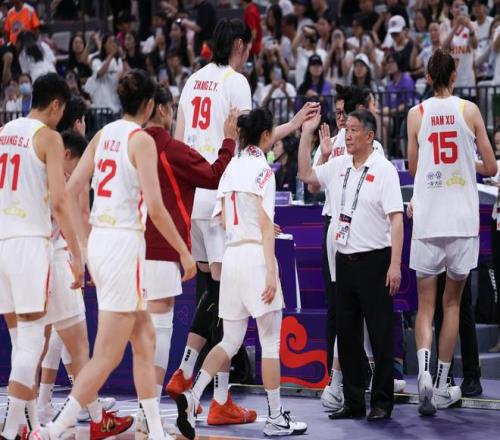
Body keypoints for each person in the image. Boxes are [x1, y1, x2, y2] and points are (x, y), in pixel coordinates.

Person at [169, 18, 319, 424]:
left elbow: (177, 142)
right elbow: (252, 139)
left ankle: (191, 375)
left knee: (212, 291)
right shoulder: (235, 82)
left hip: (195, 197)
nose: (251, 52)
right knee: (227, 306)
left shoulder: (191, 81)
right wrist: (294, 126)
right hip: (222, 187)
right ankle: (215, 396)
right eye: (249, 45)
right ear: (239, 44)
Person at [33, 69, 197, 440]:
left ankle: (154, 429)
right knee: (108, 354)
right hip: (124, 245)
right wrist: (184, 253)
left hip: (102, 243)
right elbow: (157, 209)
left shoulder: (102, 135)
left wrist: (85, 240)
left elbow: (72, 189)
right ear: (150, 105)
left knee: (145, 338)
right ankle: (54, 429)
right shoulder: (141, 141)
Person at [175, 108, 308, 439]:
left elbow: (221, 218)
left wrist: (249, 222)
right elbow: (263, 223)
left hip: (231, 255)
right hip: (254, 256)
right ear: (266, 136)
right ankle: (275, 417)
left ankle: (193, 396)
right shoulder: (263, 170)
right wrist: (271, 269)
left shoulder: (230, 167)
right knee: (270, 343)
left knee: (229, 340)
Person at [133, 84, 238, 435]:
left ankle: (141, 412)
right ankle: (149, 414)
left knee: (135, 335)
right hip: (161, 247)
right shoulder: (170, 149)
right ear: (162, 109)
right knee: (159, 332)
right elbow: (213, 175)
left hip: (128, 248)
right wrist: (228, 140)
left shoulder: (127, 143)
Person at [407, 49, 497, 416]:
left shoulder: (416, 113)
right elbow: (490, 166)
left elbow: (414, 167)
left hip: (429, 219)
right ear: (455, 77)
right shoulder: (469, 110)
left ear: (428, 77)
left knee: (426, 307)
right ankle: (444, 383)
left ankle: (424, 374)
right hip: (461, 220)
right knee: (453, 305)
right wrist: (465, 161)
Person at [298, 108, 404, 421]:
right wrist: (306, 135)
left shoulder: (384, 170)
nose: (348, 134)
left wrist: (395, 265)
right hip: (344, 260)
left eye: (354, 130)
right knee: (346, 335)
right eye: (347, 129)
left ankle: (382, 401)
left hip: (375, 260)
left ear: (370, 136)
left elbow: (396, 219)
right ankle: (353, 401)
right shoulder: (340, 164)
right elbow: (306, 175)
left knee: (380, 334)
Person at [0, 72, 84, 440]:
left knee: (21, 343)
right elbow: (61, 202)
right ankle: (10, 431)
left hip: (2, 241)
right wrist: (77, 256)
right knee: (33, 343)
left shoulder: (3, 132)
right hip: (30, 242)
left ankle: (28, 427)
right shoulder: (48, 137)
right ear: (55, 105)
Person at [440, 0, 478, 92]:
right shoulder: (444, 26)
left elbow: (475, 45)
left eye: (462, 7)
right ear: (451, 10)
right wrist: (456, 26)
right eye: (456, 6)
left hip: (468, 81)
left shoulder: (473, 25)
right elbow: (444, 48)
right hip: (449, 81)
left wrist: (469, 27)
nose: (459, 10)